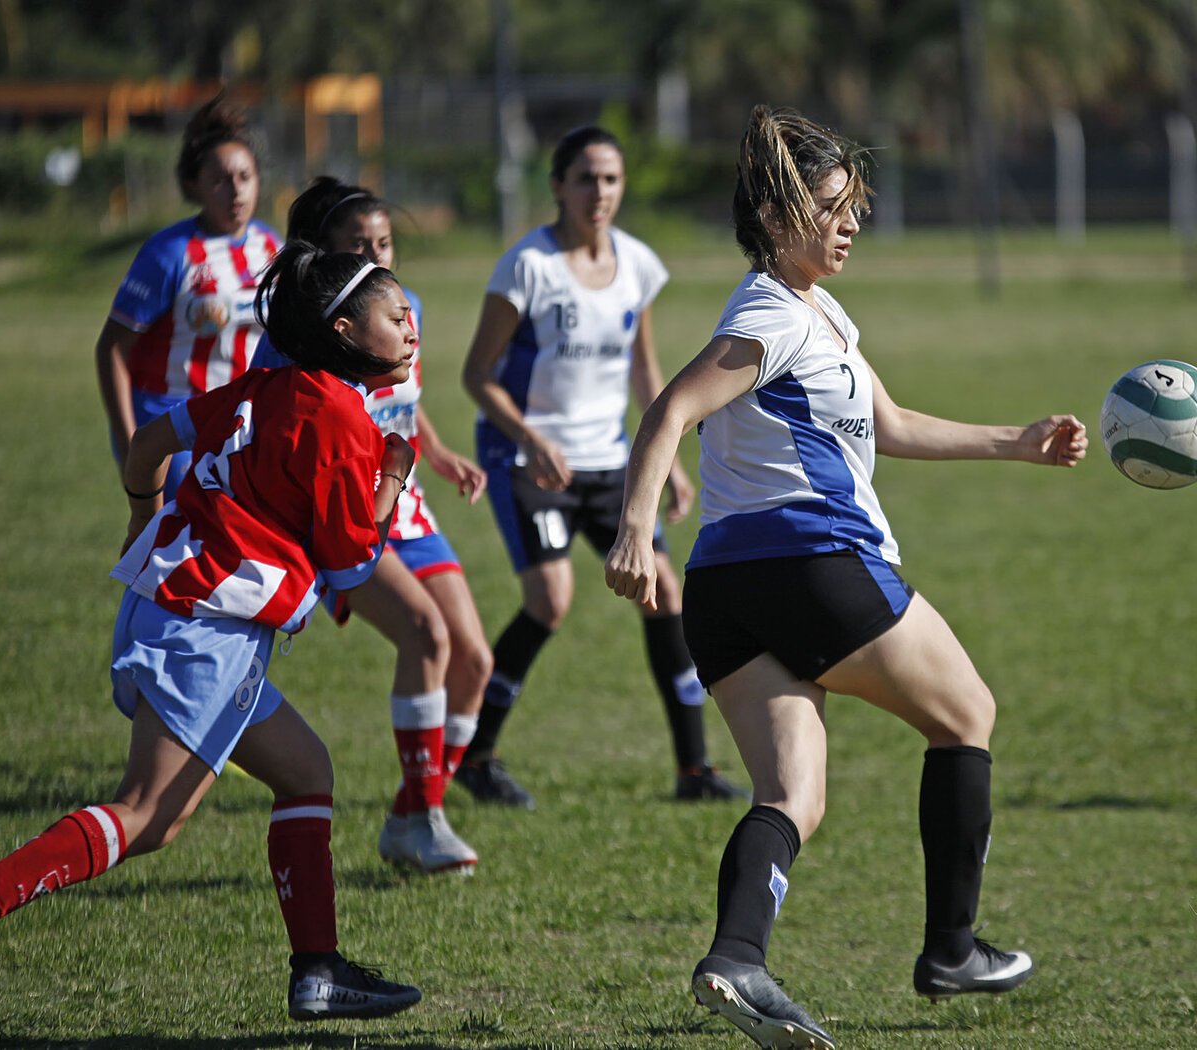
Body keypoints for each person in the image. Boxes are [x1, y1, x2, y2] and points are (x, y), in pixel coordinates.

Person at [604, 106, 1089, 1050]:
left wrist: (1018, 442)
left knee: (795, 795)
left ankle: (737, 956)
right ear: (777, 219)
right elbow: (667, 412)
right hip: (813, 563)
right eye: (831, 207)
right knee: (967, 715)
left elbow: (893, 422)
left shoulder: (820, 314)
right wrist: (631, 529)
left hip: (729, 593)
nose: (850, 223)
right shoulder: (767, 315)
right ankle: (952, 948)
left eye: (853, 205)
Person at [0, 242, 427, 1021]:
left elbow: (149, 444)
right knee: (143, 814)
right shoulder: (340, 418)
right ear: (343, 329)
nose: (411, 330)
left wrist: (142, 515)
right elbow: (353, 556)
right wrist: (394, 469)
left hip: (171, 607)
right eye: (397, 317)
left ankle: (319, 971)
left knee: (304, 771)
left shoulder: (269, 384)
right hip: (206, 631)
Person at [459, 125, 744, 809]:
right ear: (557, 185)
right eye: (585, 178)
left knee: (665, 593)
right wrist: (531, 437)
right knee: (550, 601)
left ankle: (694, 770)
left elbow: (644, 369)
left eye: (611, 179)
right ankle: (477, 756)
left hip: (609, 458)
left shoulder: (638, 264)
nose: (600, 192)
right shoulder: (527, 267)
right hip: (529, 460)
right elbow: (476, 375)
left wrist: (668, 460)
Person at [256, 177, 490, 874]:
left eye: (384, 244)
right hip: (345, 510)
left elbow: (398, 401)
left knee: (474, 662)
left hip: (405, 502)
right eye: (357, 245)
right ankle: (426, 819)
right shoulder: (301, 335)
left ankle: (409, 818)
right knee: (425, 633)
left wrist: (440, 455)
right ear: (323, 255)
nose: (375, 256)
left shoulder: (399, 308)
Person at [96, 91, 281, 501]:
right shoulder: (169, 253)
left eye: (245, 178)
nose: (235, 191)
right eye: (220, 180)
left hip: (239, 423)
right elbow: (111, 348)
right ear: (193, 186)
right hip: (170, 423)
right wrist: (131, 445)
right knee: (188, 547)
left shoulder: (271, 246)